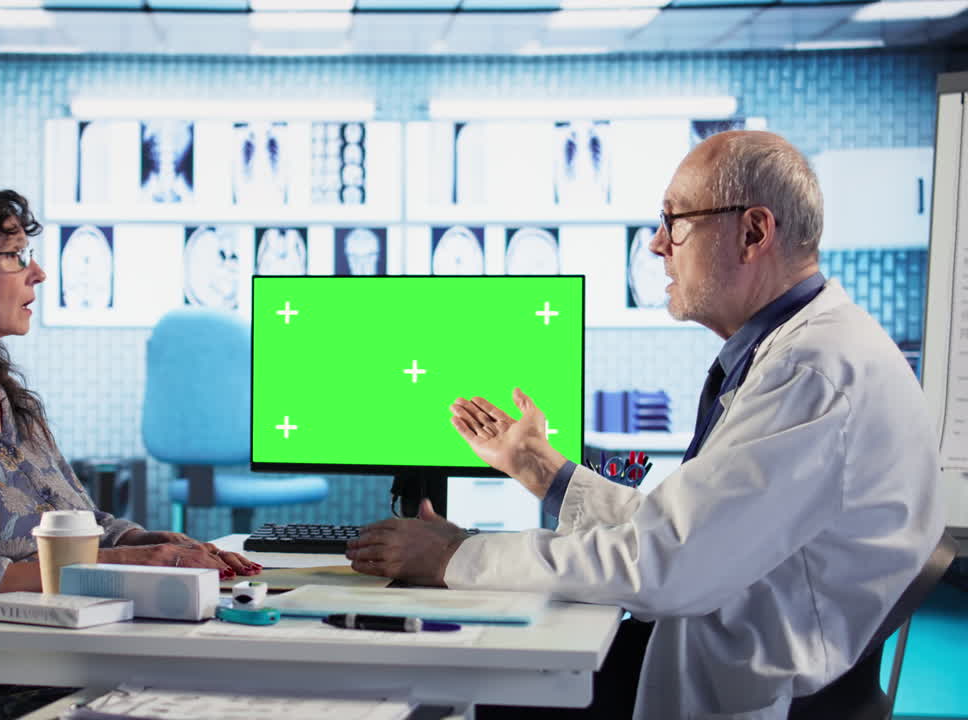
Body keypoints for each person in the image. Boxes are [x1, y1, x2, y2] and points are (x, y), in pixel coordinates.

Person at [345, 131, 943, 720]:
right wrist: (540, 469)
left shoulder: (810, 373)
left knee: (451, 690)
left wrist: (458, 556)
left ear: (754, 232)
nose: (657, 244)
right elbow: (691, 532)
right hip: (720, 645)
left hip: (732, 684)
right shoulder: (805, 350)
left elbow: (665, 565)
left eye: (675, 221)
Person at [0, 183, 259, 717]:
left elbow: (85, 523)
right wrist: (127, 561)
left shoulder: (11, 399)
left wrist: (159, 545)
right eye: (13, 256)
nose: (35, 274)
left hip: (83, 656)